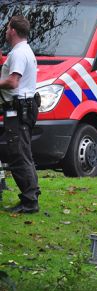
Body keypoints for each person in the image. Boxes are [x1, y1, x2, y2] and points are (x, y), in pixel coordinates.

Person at [0, 16, 40, 214]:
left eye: (7, 28)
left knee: (17, 154)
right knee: (22, 152)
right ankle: (31, 195)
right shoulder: (24, 50)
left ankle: (29, 201)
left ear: (13, 30)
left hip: (19, 108)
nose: (6, 31)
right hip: (23, 107)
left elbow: (13, 82)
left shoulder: (19, 53)